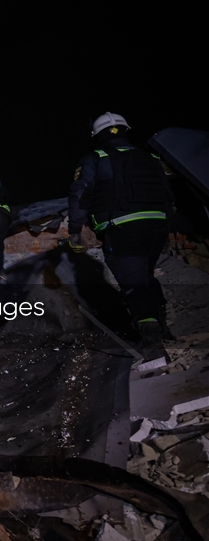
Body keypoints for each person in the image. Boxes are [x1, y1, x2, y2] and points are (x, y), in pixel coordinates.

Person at [67, 112, 174, 359]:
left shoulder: (96, 159)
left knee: (133, 283)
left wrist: (75, 230)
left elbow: (81, 195)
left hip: (122, 227)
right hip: (156, 226)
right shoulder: (150, 157)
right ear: (125, 130)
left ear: (98, 136)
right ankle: (163, 329)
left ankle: (153, 346)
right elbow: (168, 194)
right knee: (146, 277)